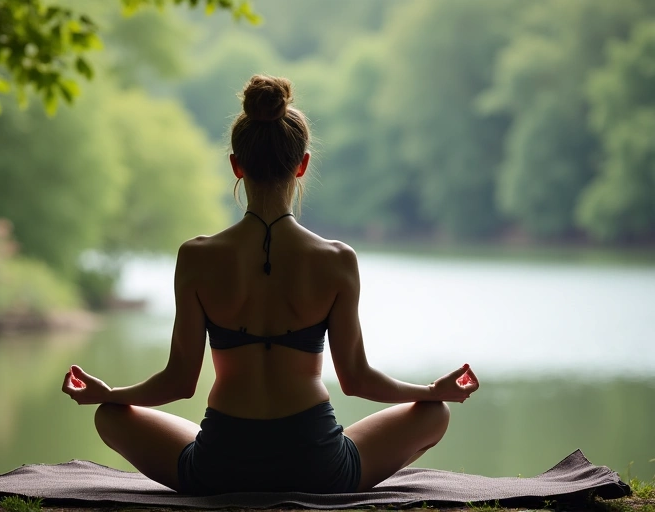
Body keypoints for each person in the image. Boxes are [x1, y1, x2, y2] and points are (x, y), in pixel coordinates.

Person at [61, 74, 480, 495]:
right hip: (318, 466)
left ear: (236, 165)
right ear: (302, 164)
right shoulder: (336, 260)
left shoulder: (197, 257)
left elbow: (179, 382)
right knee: (434, 413)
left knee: (109, 415)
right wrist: (429, 390)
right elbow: (357, 380)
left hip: (219, 467)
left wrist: (109, 392)